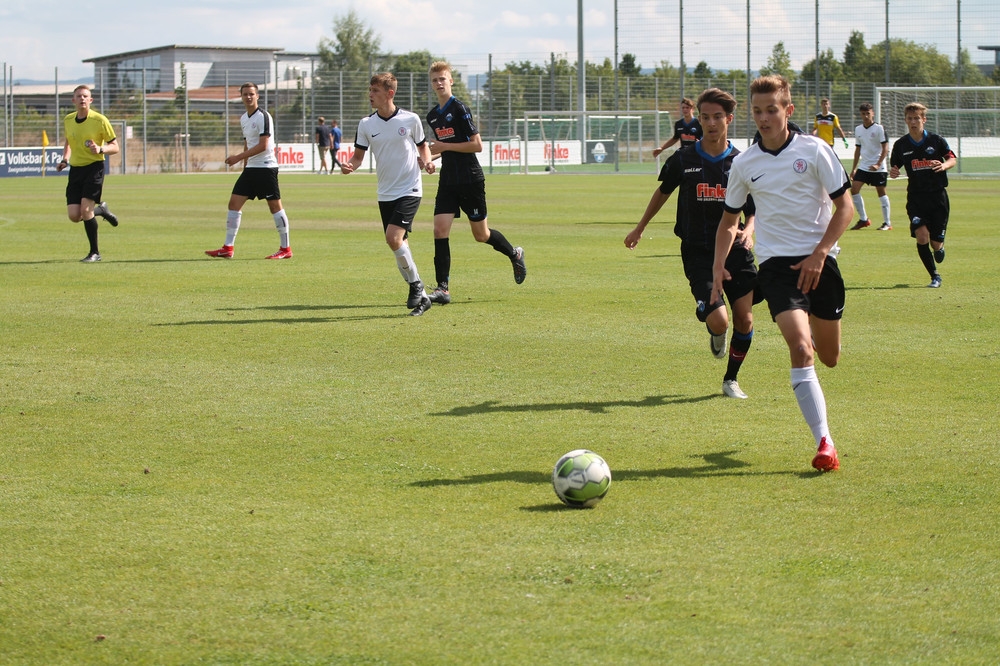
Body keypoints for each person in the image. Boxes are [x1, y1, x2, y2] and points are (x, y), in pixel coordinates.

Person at [713, 75, 854, 472]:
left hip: (821, 264)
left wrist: (820, 253)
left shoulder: (815, 151)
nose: (763, 117)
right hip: (776, 268)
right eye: (757, 111)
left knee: (829, 357)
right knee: (800, 347)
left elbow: (846, 209)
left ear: (788, 111)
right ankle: (825, 442)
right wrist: (718, 263)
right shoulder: (744, 164)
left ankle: (814, 326)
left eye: (771, 109)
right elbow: (728, 220)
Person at [625, 88, 758, 400]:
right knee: (720, 320)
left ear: (729, 119)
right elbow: (662, 192)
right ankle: (715, 328)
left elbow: (754, 207)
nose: (711, 123)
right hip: (698, 250)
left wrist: (749, 229)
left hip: (736, 250)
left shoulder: (742, 162)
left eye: (717, 117)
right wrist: (640, 227)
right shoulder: (683, 158)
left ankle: (731, 380)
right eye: (705, 117)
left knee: (745, 318)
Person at [424, 61, 526, 305]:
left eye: (443, 79)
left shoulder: (460, 108)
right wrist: (430, 159)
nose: (439, 83)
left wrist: (444, 146)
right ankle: (443, 289)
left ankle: (514, 253)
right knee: (439, 230)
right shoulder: (432, 116)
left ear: (451, 81)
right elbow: (445, 150)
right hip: (448, 179)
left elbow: (476, 145)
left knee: (481, 235)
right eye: (435, 80)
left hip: (470, 179)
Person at [341, 73, 436, 316]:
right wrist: (350, 165)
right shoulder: (366, 124)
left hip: (410, 188)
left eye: (375, 91)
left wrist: (426, 162)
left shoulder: (410, 119)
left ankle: (416, 286)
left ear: (389, 93)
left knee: (393, 238)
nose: (370, 95)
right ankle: (423, 297)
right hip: (385, 192)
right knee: (399, 244)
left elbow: (423, 146)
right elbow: (359, 157)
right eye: (370, 90)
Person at [205, 82, 292, 260]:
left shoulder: (263, 116)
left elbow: (263, 145)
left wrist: (237, 157)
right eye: (245, 94)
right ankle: (228, 248)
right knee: (233, 204)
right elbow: (248, 143)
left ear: (257, 96)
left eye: (251, 94)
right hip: (251, 169)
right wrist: (245, 165)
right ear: (242, 97)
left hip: (266, 168)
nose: (248, 97)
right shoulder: (244, 118)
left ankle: (285, 249)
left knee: (275, 206)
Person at [889, 102, 956, 289]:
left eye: (916, 118)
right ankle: (935, 276)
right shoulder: (901, 145)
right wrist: (894, 171)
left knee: (935, 243)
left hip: (938, 198)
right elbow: (895, 167)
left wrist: (943, 165)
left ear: (923, 119)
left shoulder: (936, 141)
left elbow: (952, 158)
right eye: (909, 118)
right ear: (905, 120)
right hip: (916, 198)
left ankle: (940, 247)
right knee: (922, 236)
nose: (913, 122)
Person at [56, 84, 120, 263]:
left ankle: (95, 253)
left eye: (85, 96)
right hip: (76, 170)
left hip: (94, 168)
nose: (82, 99)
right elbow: (69, 141)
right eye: (79, 96)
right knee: (74, 216)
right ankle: (102, 210)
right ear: (73, 100)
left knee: (85, 210)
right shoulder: (68, 119)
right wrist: (65, 160)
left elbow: (115, 147)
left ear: (90, 100)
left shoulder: (99, 120)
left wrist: (100, 148)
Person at [849, 102, 892, 231]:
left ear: (872, 113)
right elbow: (857, 149)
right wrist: (854, 168)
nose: (866, 116)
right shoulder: (858, 129)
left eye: (868, 113)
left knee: (881, 192)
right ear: (860, 115)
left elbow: (885, 148)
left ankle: (887, 223)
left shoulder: (879, 128)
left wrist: (878, 163)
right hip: (864, 166)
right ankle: (864, 219)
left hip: (878, 167)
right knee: (854, 189)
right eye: (863, 114)